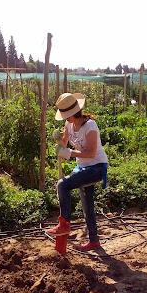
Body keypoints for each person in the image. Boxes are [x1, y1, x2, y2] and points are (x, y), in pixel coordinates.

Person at [46, 92, 108, 251]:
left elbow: (92, 153)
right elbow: (64, 144)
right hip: (82, 167)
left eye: (67, 115)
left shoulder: (90, 126)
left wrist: (70, 154)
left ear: (74, 112)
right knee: (87, 206)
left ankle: (64, 223)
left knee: (62, 185)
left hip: (97, 167)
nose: (65, 118)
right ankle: (94, 241)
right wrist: (59, 140)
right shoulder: (68, 125)